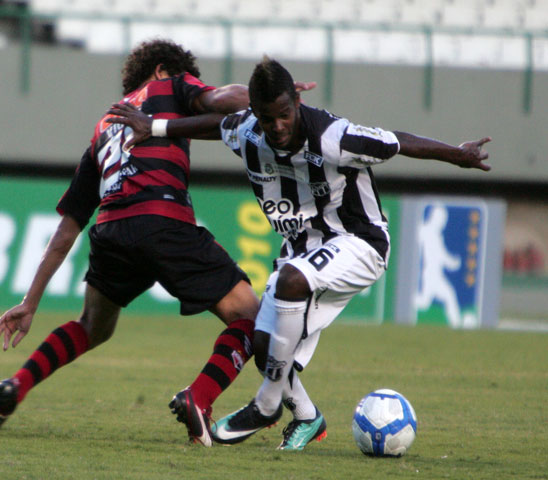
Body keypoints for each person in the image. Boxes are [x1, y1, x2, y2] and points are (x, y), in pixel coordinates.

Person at [105, 56, 491, 450]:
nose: (278, 126)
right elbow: (213, 126)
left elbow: (398, 140)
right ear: (254, 112)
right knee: (263, 343)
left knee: (290, 283)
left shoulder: (333, 136)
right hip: (302, 250)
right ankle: (307, 416)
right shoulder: (248, 131)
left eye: (285, 114)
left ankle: (267, 403)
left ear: (296, 103)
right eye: (267, 118)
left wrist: (458, 155)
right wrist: (153, 127)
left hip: (360, 242)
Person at [0, 39, 267, 447]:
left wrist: (30, 302)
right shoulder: (171, 86)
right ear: (163, 70)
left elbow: (67, 229)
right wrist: (268, 99)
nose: (191, 82)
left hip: (111, 231)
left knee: (92, 326)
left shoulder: (103, 125)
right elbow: (223, 99)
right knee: (251, 316)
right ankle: (199, 398)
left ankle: (14, 386)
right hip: (163, 221)